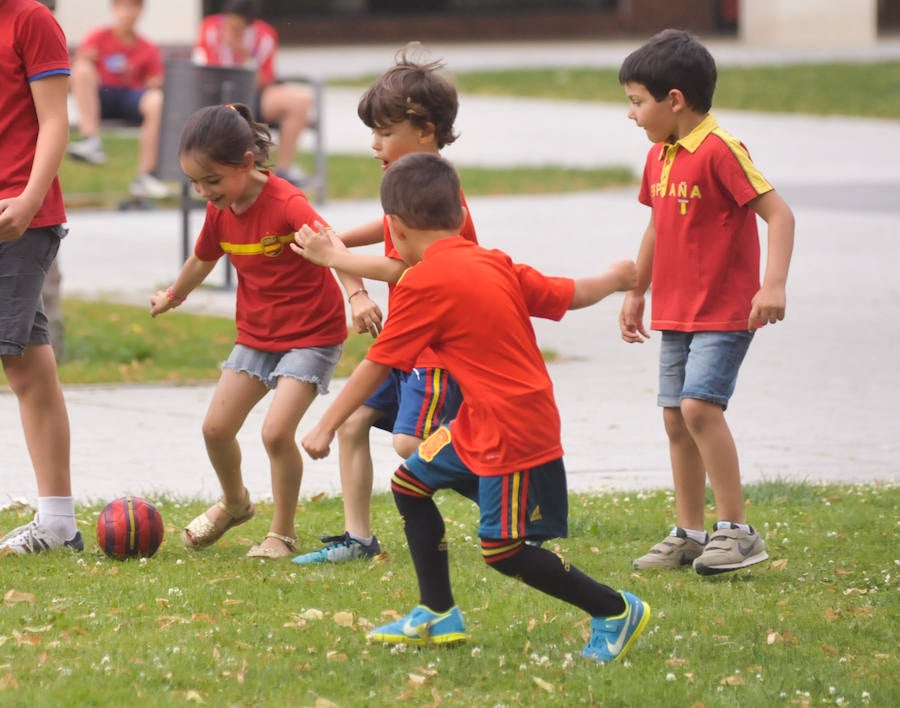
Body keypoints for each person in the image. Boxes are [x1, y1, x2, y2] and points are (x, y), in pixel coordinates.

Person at [298, 152, 650, 663]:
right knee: (410, 484)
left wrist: (326, 425)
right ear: (461, 217)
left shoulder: (423, 282)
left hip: (512, 426)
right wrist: (615, 279)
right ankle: (438, 613)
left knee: (502, 552)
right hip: (479, 419)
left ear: (392, 228)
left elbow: (378, 363)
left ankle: (615, 609)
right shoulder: (495, 261)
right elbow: (567, 294)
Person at [149, 102, 377, 559]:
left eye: (212, 180)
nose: (203, 191)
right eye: (195, 182)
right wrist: (174, 295)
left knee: (276, 433)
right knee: (215, 429)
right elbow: (203, 259)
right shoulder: (222, 209)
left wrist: (358, 296)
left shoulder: (287, 203)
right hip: (257, 334)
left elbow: (333, 247)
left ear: (247, 163)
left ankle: (282, 534)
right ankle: (235, 503)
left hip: (311, 333)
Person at [289, 47, 479, 566]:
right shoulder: (408, 181)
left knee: (407, 445)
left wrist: (339, 255)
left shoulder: (442, 194)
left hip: (440, 349)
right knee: (352, 426)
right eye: (372, 132)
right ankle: (359, 540)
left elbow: (416, 271)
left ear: (426, 130)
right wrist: (339, 246)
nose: (374, 144)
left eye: (384, 132)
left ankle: (505, 495)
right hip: (408, 343)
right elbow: (388, 230)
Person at [618, 29, 795, 575]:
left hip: (726, 310)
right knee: (674, 417)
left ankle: (737, 531)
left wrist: (773, 285)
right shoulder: (660, 156)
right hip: (676, 310)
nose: (632, 116)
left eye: (636, 102)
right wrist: (637, 289)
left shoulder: (722, 151)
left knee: (699, 407)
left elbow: (780, 215)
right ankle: (690, 533)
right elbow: (656, 226)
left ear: (674, 100)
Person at [0, 0, 81, 555]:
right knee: (28, 362)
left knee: (22, 361)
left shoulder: (29, 18)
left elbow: (55, 118)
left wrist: (29, 201)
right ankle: (57, 523)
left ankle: (57, 522)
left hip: (15, 217)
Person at [193, 0, 313, 186]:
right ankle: (205, 172)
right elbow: (205, 69)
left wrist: (243, 54)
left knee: (300, 100)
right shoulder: (210, 28)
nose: (233, 32)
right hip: (214, 97)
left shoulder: (264, 36)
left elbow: (264, 80)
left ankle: (283, 170)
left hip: (253, 96)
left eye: (239, 28)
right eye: (231, 25)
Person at [67, 0, 170, 199]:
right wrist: (84, 62)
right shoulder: (98, 37)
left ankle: (146, 175)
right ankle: (91, 141)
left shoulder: (147, 47)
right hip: (101, 96)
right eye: (123, 6)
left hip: (131, 96)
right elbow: (75, 73)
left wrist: (155, 82)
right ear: (114, 9)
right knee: (81, 69)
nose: (128, 12)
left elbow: (155, 81)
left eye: (133, 7)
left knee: (157, 99)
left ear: (141, 11)